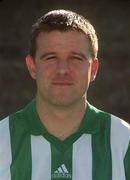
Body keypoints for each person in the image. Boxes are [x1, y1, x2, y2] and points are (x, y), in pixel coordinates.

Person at [0, 9, 130, 180]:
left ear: (94, 69)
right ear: (32, 67)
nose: (62, 70)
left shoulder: (125, 142)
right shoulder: (2, 141)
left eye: (76, 58)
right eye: (51, 57)